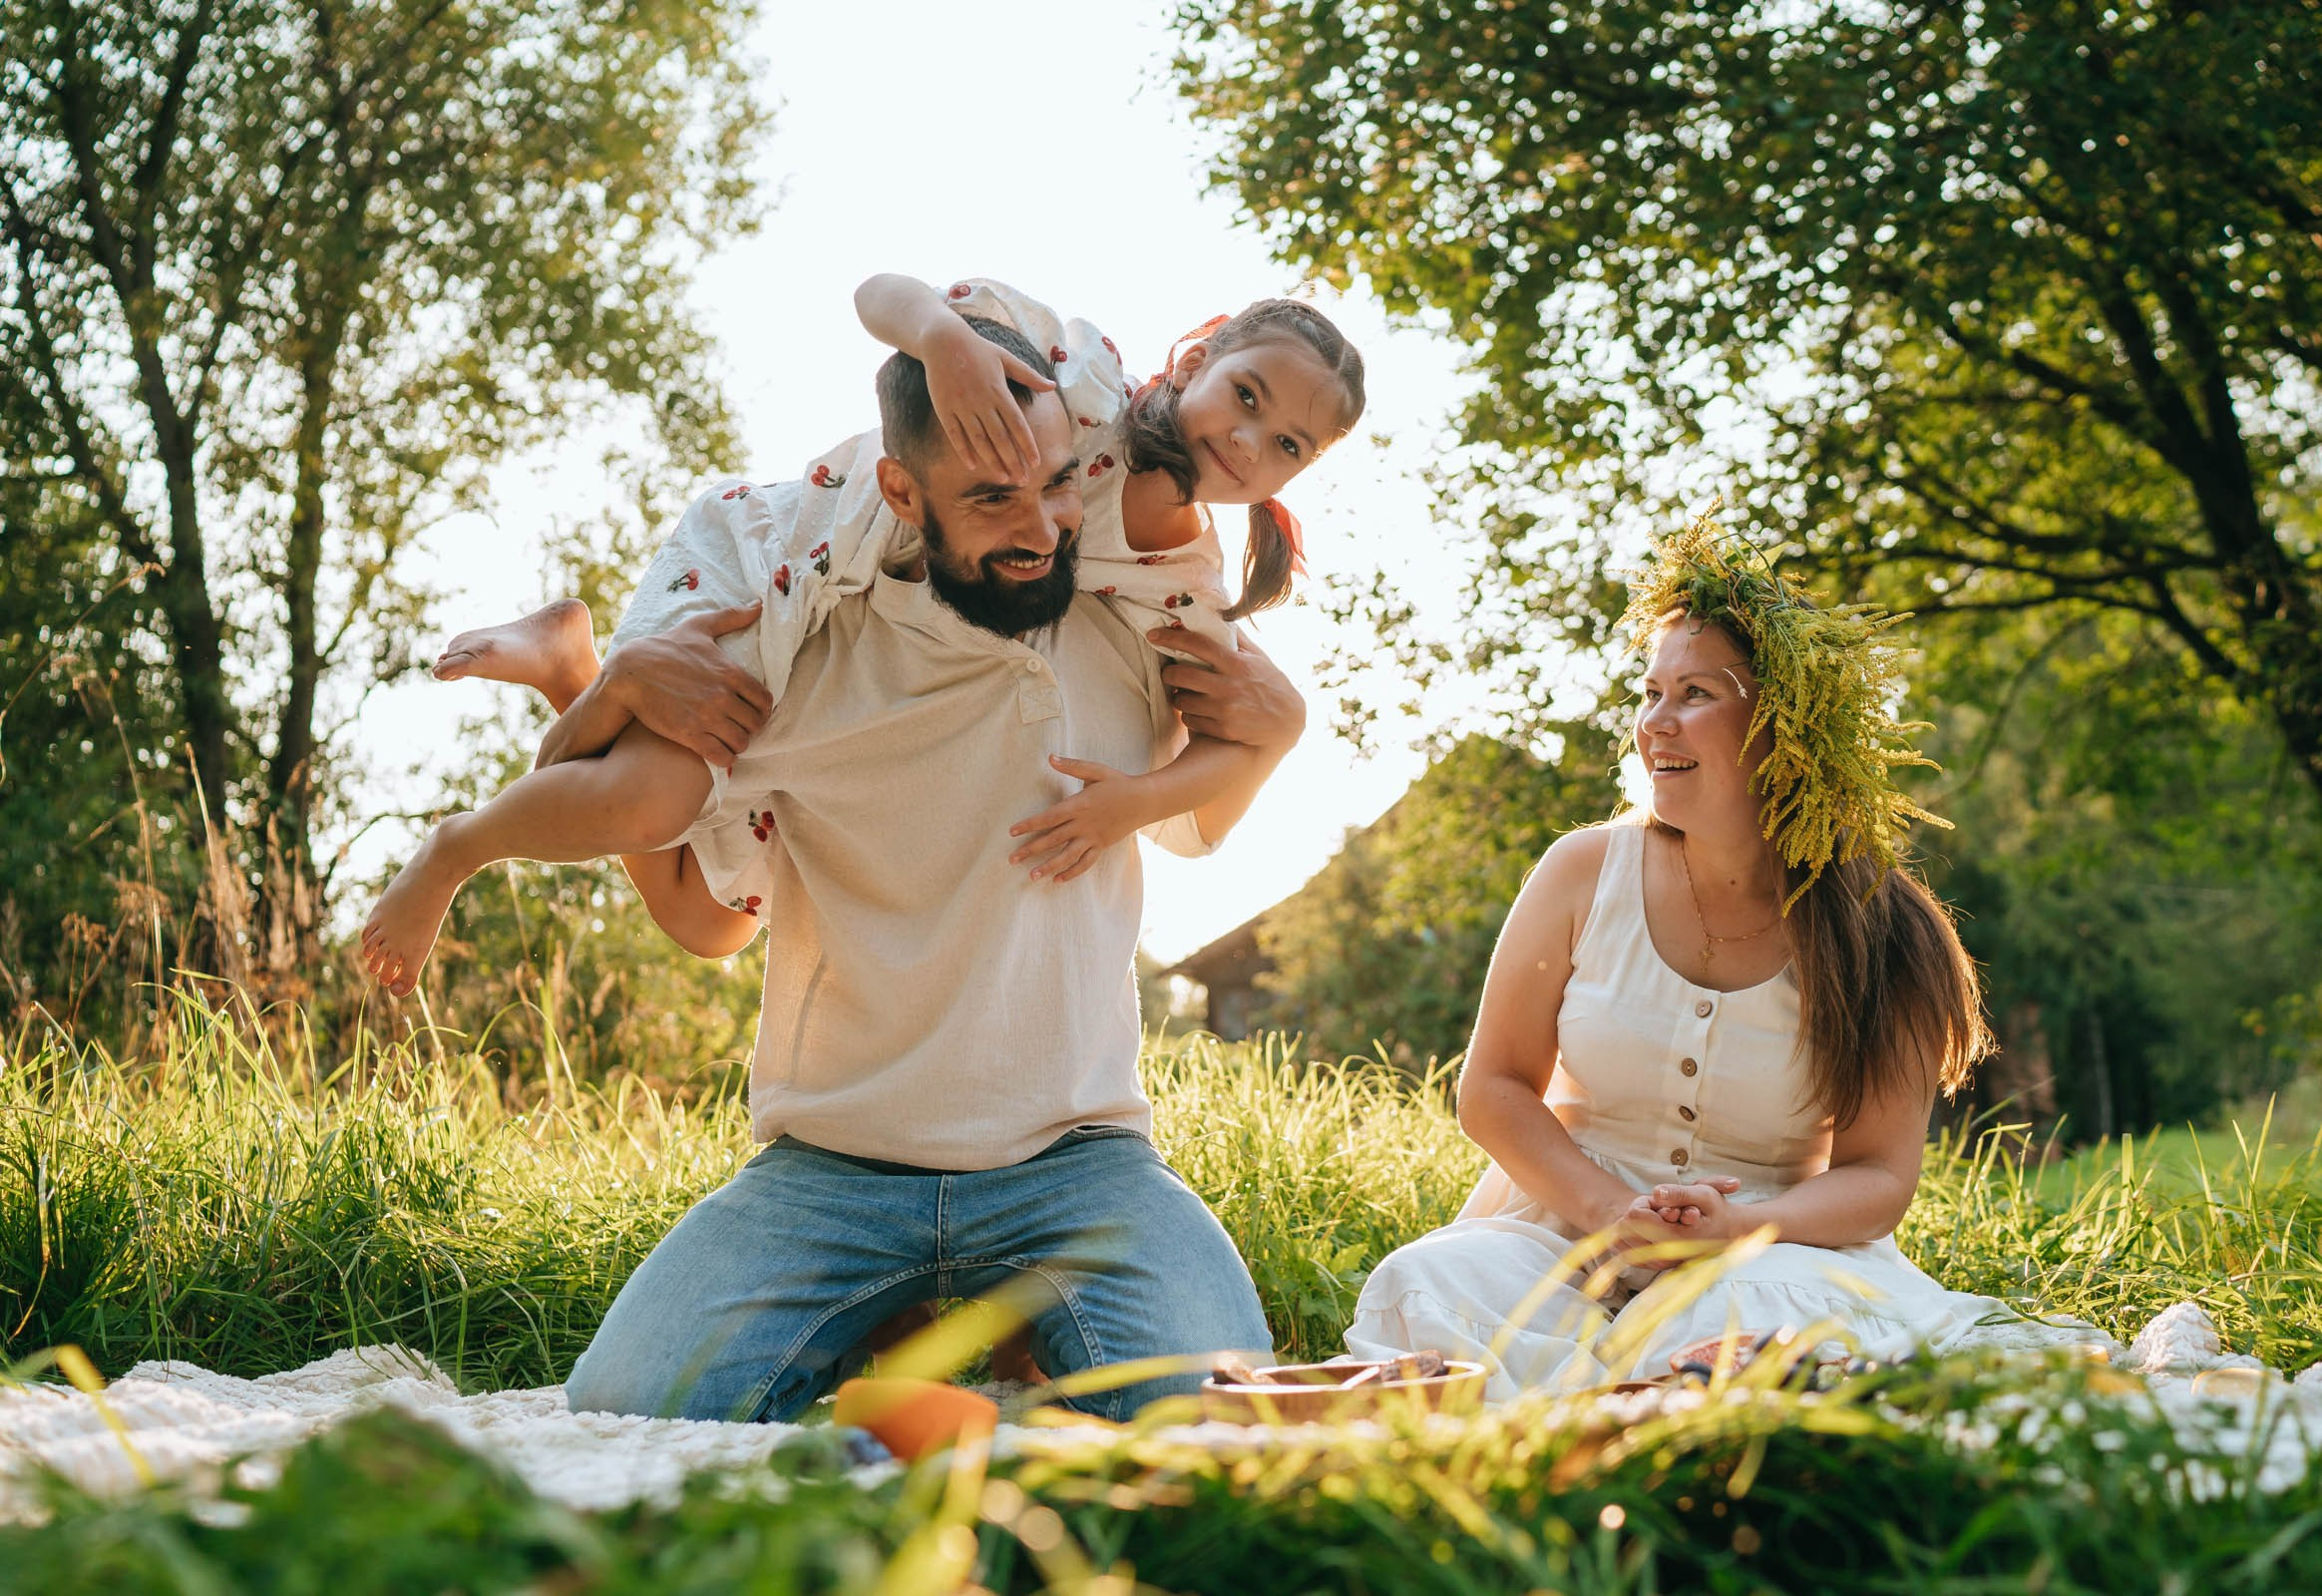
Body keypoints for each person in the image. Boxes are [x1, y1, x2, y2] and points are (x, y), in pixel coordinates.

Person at [552, 319, 1299, 1421]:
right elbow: (588, 798)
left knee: (1220, 1424)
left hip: (1077, 1163)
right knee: (622, 1409)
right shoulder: (811, 649)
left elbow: (1196, 829)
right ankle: (912, 1335)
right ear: (905, 496)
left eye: (1051, 486)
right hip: (835, 1169)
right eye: (991, 496)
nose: (1036, 524)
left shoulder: (1135, 626)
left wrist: (1273, 734)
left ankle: (1002, 1354)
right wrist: (607, 686)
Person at [357, 276, 1363, 996]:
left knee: (709, 925)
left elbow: (1218, 775)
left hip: (822, 630)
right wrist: (945, 341)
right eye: (1246, 395)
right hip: (768, 569)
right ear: (1197, 357)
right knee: (648, 794)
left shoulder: (1184, 577)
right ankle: (457, 846)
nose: (1248, 441)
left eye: (1288, 446)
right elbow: (882, 293)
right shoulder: (1071, 372)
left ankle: (570, 667)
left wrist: (1151, 793)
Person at [1347, 512, 2039, 1398]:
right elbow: (1493, 1090)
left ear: (1784, 726)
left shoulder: (1882, 927)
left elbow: (1878, 1177)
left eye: (1695, 695)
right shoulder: (1580, 873)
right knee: (1432, 1285)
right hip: (1560, 1239)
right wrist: (1605, 1213)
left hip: (1763, 1251)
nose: (1654, 725)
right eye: (1650, 693)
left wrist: (1743, 1231)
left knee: (1731, 1322)